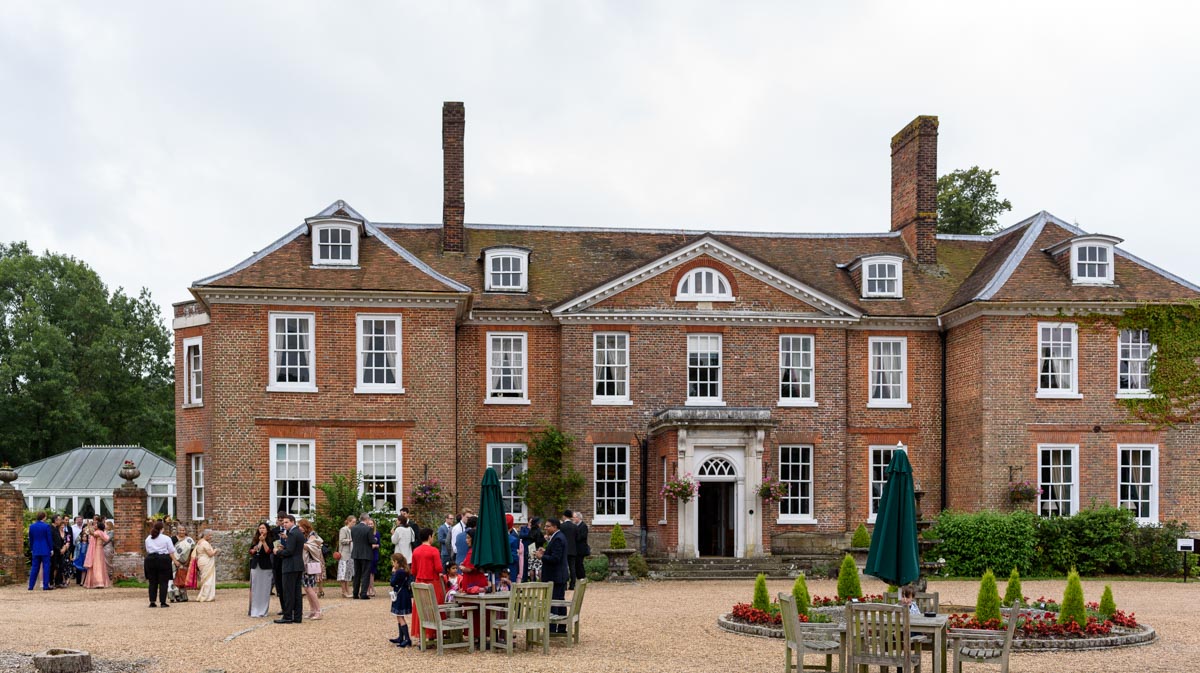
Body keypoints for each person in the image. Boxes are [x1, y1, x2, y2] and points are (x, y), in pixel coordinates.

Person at [408, 527, 443, 642]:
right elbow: (438, 568)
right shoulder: (434, 551)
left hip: (419, 582)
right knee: (434, 607)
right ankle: (433, 633)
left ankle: (421, 634)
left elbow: (413, 571)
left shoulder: (416, 550)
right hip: (432, 582)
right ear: (429, 537)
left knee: (420, 609)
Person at [538, 518, 568, 633]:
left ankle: (552, 629)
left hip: (556, 576)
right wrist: (545, 552)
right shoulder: (557, 537)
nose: (545, 528)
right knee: (559, 601)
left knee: (554, 602)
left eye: (548, 526)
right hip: (557, 575)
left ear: (555, 527)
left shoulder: (558, 538)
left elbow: (556, 559)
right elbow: (555, 554)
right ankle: (560, 628)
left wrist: (542, 557)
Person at [274, 514, 305, 624]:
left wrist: (278, 552)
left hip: (290, 566)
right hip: (298, 565)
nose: (284, 524)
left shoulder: (292, 533)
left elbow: (289, 552)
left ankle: (287, 616)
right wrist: (285, 547)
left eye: (286, 522)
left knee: (288, 592)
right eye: (283, 523)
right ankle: (297, 616)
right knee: (297, 593)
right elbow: (294, 548)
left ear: (292, 522)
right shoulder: (299, 533)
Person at [143, 520, 176, 607]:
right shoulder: (166, 538)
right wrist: (175, 561)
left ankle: (152, 602)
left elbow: (147, 550)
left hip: (150, 560)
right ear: (162, 529)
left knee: (152, 582)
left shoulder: (148, 538)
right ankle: (163, 602)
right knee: (163, 582)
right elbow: (171, 551)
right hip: (163, 559)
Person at [298, 519, 324, 620]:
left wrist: (298, 542)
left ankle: (318, 611)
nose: (299, 528)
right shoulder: (304, 536)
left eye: (300, 526)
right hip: (305, 565)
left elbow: (312, 548)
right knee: (307, 589)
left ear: (305, 526)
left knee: (310, 588)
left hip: (310, 565)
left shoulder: (312, 535)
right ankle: (312, 610)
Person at [248, 523, 274, 616]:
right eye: (260, 528)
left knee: (265, 588)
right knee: (255, 587)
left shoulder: (270, 539)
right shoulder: (255, 539)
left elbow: (268, 551)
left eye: (263, 528)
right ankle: (254, 609)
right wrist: (254, 549)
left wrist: (263, 542)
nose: (261, 530)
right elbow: (250, 551)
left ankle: (263, 610)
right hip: (256, 565)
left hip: (266, 565)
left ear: (267, 529)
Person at [388, 553, 414, 647]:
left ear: (397, 562)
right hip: (404, 594)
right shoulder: (406, 571)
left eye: (393, 562)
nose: (392, 564)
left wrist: (393, 573)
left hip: (400, 595)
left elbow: (392, 583)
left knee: (400, 616)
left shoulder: (399, 572)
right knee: (399, 615)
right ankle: (401, 637)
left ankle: (406, 638)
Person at [350, 513, 376, 600]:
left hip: (356, 554)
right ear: (367, 519)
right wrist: (375, 539)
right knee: (365, 574)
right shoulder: (368, 529)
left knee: (357, 574)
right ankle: (363, 593)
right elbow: (372, 541)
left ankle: (355, 593)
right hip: (366, 554)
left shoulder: (353, 528)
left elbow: (354, 539)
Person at [27, 511, 54, 591]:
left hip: (36, 548)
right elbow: (49, 539)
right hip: (45, 548)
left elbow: (31, 539)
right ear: (44, 517)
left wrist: (32, 548)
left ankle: (31, 586)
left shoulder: (32, 526)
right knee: (46, 567)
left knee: (34, 567)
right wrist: (51, 549)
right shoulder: (46, 526)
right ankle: (45, 586)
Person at [193, 529, 219, 601]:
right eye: (210, 535)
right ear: (206, 535)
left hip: (201, 561)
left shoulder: (199, 542)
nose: (211, 537)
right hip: (206, 561)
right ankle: (206, 596)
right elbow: (210, 554)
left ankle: (204, 595)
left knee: (204, 578)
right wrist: (215, 550)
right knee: (208, 579)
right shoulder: (205, 543)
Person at [83, 521, 111, 588]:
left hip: (96, 550)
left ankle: (98, 582)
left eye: (96, 525)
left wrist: (89, 525)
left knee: (96, 565)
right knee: (100, 565)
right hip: (100, 550)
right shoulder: (102, 532)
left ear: (98, 527)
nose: (95, 525)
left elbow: (92, 533)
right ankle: (101, 581)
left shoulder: (98, 532)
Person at [172, 525, 195, 602]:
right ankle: (175, 595)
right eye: (180, 530)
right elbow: (169, 551)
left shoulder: (189, 540)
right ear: (177, 531)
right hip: (174, 561)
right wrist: (175, 561)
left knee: (183, 578)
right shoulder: (173, 539)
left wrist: (188, 562)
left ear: (185, 531)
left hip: (186, 562)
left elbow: (193, 551)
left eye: (183, 530)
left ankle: (183, 596)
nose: (182, 532)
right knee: (175, 578)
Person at [336, 515, 356, 598]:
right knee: (343, 573)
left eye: (355, 522)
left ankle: (348, 590)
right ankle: (344, 591)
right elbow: (341, 540)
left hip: (351, 554)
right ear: (348, 521)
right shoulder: (343, 529)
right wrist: (350, 540)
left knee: (348, 573)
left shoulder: (353, 530)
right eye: (353, 522)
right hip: (344, 554)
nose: (354, 524)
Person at [560, 510, 578, 590]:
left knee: (564, 567)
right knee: (572, 567)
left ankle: (564, 585)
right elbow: (577, 538)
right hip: (573, 549)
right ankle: (572, 584)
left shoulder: (562, 526)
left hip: (564, 549)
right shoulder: (575, 526)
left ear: (564, 516)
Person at [272, 511, 287, 608]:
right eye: (279, 520)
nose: (281, 522)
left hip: (287, 558)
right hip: (277, 559)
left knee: (287, 584)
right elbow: (272, 542)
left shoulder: (290, 531)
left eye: (283, 520)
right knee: (279, 584)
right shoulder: (274, 531)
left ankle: (289, 607)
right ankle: (283, 607)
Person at [523, 517, 545, 582]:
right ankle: (541, 582)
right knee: (539, 567)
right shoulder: (538, 531)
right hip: (538, 550)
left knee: (531, 568)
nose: (541, 524)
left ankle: (532, 581)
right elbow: (539, 540)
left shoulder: (530, 531)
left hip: (531, 549)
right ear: (537, 523)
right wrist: (544, 539)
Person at [573, 511, 590, 589]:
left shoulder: (583, 526)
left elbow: (582, 537)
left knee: (579, 564)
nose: (573, 519)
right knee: (576, 564)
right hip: (576, 548)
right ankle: (579, 578)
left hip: (581, 549)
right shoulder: (576, 526)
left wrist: (575, 537)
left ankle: (582, 578)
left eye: (575, 517)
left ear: (579, 518)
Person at [367, 517, 381, 597]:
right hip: (367, 554)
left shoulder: (377, 533)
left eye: (371, 524)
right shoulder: (365, 533)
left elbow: (379, 544)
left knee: (372, 572)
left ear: (374, 524)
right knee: (368, 572)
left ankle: (372, 588)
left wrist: (374, 545)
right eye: (369, 524)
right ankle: (369, 588)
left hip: (374, 554)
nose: (370, 525)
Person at [505, 514, 521, 582]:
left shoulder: (495, 539)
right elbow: (514, 558)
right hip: (510, 569)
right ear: (511, 527)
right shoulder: (513, 539)